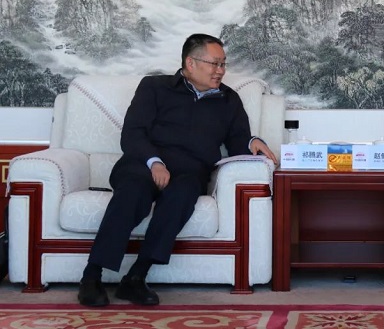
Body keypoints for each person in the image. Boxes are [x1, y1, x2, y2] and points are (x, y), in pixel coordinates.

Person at [77, 33, 278, 307]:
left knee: (182, 195)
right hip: (143, 165)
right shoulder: (154, 87)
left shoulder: (229, 99)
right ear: (190, 63)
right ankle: (91, 276)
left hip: (189, 173)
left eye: (223, 64)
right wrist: (155, 162)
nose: (221, 70)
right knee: (132, 193)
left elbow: (237, 140)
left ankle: (136, 277)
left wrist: (252, 142)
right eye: (214, 63)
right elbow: (133, 134)